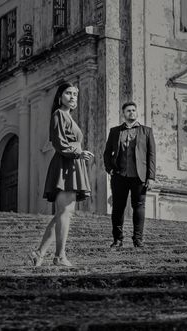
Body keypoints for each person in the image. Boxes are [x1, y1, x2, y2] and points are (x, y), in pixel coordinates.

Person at [30, 82, 94, 268]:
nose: (73, 97)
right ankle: (59, 256)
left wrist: (79, 153)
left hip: (72, 163)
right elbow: (58, 142)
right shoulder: (58, 114)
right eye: (68, 93)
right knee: (65, 212)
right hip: (66, 163)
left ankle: (39, 253)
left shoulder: (68, 117)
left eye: (75, 94)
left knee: (63, 213)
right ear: (60, 96)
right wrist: (77, 153)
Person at [102, 101, 156, 248]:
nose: (131, 113)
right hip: (119, 176)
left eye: (133, 110)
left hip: (140, 176)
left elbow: (151, 155)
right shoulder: (115, 131)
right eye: (128, 111)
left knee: (139, 207)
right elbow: (107, 153)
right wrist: (110, 169)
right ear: (123, 114)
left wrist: (151, 177)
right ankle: (117, 239)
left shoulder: (146, 131)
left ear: (137, 113)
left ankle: (138, 239)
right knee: (118, 208)